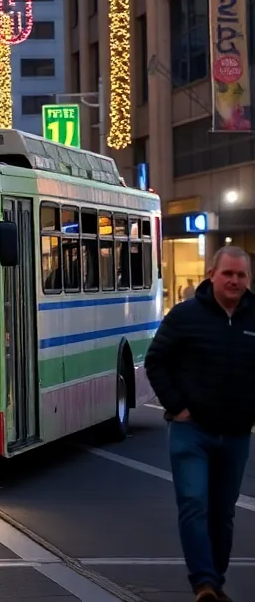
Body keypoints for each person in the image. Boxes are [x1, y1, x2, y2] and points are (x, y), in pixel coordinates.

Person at [144, 246, 255, 602]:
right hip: (191, 430)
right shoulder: (185, 315)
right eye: (228, 274)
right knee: (193, 503)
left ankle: (215, 580)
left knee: (223, 514)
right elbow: (156, 361)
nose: (234, 281)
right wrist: (176, 406)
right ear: (212, 275)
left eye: (241, 275)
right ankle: (204, 583)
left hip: (236, 433)